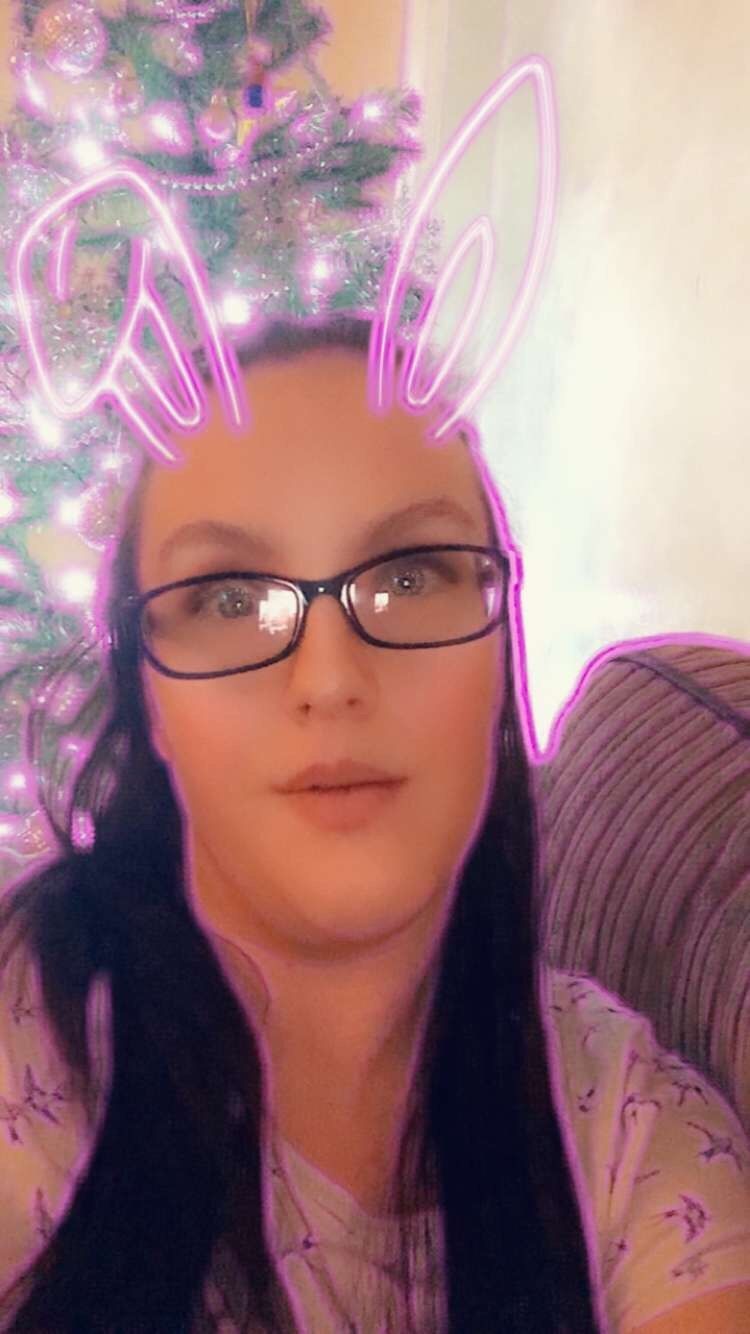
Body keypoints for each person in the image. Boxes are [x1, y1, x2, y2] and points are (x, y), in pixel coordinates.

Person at [0, 316, 748, 1334]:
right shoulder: (28, 1040)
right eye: (230, 596)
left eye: (408, 576)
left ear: (497, 651)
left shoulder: (626, 1130)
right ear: (153, 702)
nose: (331, 677)